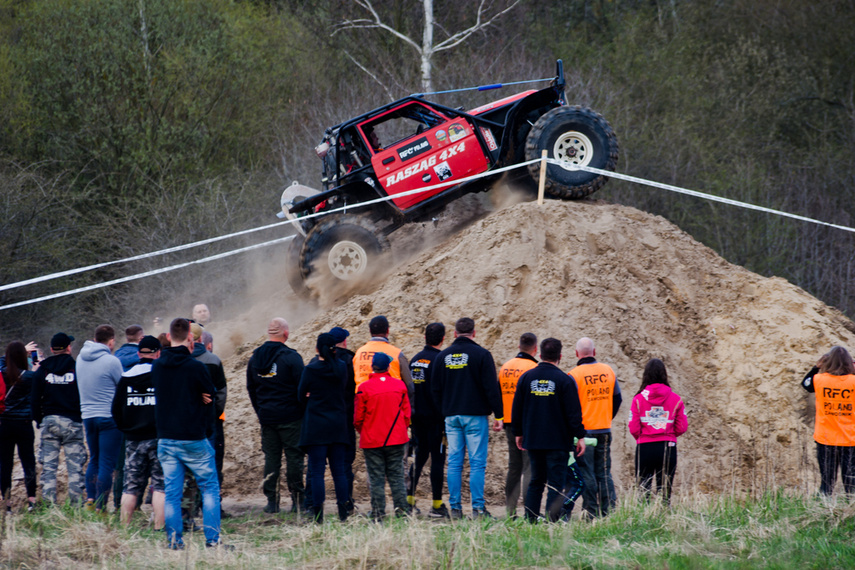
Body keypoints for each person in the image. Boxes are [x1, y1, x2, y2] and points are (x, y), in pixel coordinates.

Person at [152, 318, 228, 550]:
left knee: (172, 493)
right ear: (190, 339)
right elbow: (210, 397)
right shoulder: (196, 367)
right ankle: (213, 540)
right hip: (194, 437)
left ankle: (175, 541)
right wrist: (201, 398)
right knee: (209, 488)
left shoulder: (157, 366)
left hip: (166, 438)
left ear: (168, 336)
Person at [430, 317, 504, 519]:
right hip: (475, 416)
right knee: (477, 463)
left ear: (454, 333)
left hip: (451, 416)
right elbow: (491, 388)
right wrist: (499, 414)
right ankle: (478, 509)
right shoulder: (482, 355)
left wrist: (443, 411)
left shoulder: (442, 356)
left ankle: (455, 508)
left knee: (454, 462)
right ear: (474, 332)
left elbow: (434, 389)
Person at [512, 338, 586, 523]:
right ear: (560, 356)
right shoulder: (564, 380)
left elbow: (517, 409)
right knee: (556, 483)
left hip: (534, 439)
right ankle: (551, 522)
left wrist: (518, 433)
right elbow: (573, 414)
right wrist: (580, 436)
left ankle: (530, 520)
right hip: (558, 442)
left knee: (536, 481)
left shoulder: (526, 378)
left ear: (540, 354)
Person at [246, 318, 306, 514]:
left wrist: (261, 410)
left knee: (271, 459)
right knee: (294, 459)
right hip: (291, 417)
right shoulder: (291, 357)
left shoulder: (255, 358)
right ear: (285, 333)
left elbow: (251, 389)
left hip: (267, 417)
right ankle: (297, 500)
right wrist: (300, 410)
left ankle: (272, 502)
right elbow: (302, 388)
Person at [111, 336, 165, 527]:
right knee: (160, 486)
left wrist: (126, 429)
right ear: (158, 353)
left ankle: (125, 527)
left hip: (133, 439)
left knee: (130, 487)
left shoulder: (126, 377)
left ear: (138, 353)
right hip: (158, 437)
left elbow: (115, 410)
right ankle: (159, 527)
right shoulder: (161, 375)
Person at [298, 333, 350, 523]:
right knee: (339, 472)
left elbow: (300, 395)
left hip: (316, 426)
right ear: (334, 349)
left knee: (317, 472)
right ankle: (343, 513)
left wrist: (310, 398)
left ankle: (318, 515)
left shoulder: (310, 369)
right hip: (337, 425)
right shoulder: (342, 368)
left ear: (317, 349)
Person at [30, 332, 87, 506]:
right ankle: (76, 507)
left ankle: (49, 507)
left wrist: (39, 419)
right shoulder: (77, 368)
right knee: (75, 468)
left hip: (50, 421)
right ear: (68, 348)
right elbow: (83, 394)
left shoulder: (42, 369)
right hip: (72, 421)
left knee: (49, 468)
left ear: (51, 349)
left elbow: (34, 398)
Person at [354, 352, 412, 520]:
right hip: (396, 439)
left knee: (376, 477)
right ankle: (402, 511)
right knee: (397, 476)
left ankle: (378, 513)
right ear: (388, 367)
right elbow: (407, 414)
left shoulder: (363, 388)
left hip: (372, 441)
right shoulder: (400, 386)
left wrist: (364, 431)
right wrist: (401, 429)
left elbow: (358, 418)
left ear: (373, 367)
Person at [569, 337, 621, 518]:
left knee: (587, 473)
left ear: (577, 354)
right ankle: (609, 512)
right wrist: (607, 416)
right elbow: (617, 399)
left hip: (584, 434)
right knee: (604, 472)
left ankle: (590, 512)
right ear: (595, 352)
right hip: (604, 430)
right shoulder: (608, 371)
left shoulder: (573, 375)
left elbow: (571, 408)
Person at [76, 324, 124, 511]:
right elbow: (122, 387)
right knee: (106, 463)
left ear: (94, 339)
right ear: (111, 341)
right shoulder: (111, 361)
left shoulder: (80, 358)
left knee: (94, 459)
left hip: (88, 416)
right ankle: (101, 506)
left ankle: (90, 500)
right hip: (108, 417)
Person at [627, 358, 687, 504]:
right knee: (665, 490)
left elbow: (633, 427)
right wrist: (670, 435)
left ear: (646, 375)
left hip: (645, 447)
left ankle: (644, 520)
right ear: (664, 375)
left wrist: (643, 437)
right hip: (668, 447)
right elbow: (682, 427)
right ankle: (664, 519)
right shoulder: (676, 399)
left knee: (643, 489)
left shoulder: (638, 399)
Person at [407, 322, 449, 518]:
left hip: (416, 418)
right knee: (437, 460)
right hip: (435, 419)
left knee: (420, 457)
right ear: (443, 339)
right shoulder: (440, 360)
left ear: (425, 337)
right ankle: (437, 505)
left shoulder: (414, 360)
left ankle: (409, 500)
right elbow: (440, 392)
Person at [801, 346, 855, 496]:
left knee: (827, 482)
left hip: (826, 439)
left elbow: (806, 384)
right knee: (851, 483)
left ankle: (823, 512)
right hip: (850, 439)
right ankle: (850, 513)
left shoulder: (820, 380)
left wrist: (815, 367)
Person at [499, 332, 538, 518]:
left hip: (509, 423)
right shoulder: (533, 368)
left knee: (514, 467)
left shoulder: (505, 367)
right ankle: (529, 511)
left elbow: (499, 394)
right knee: (529, 467)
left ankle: (510, 511)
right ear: (535, 348)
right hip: (528, 424)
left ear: (519, 346)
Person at [0, 341, 37, 512]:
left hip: (5, 424)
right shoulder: (30, 377)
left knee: (5, 464)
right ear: (23, 357)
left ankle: (7, 504)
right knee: (28, 461)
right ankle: (32, 500)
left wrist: (8, 356)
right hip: (24, 424)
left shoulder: (2, 373)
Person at [190, 323, 228, 487]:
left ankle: (186, 508)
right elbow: (221, 392)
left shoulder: (175, 360)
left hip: (183, 422)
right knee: (212, 460)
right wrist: (216, 412)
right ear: (201, 339)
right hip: (210, 420)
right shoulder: (213, 360)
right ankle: (213, 505)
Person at [329, 326, 357, 515]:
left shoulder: (320, 361)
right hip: (346, 416)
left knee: (316, 465)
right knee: (346, 461)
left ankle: (309, 504)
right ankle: (346, 501)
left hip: (324, 417)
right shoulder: (350, 360)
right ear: (344, 341)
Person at [353, 316, 414, 399]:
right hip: (391, 401)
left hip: (364, 402)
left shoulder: (359, 353)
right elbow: (409, 385)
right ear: (388, 330)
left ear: (370, 331)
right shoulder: (397, 354)